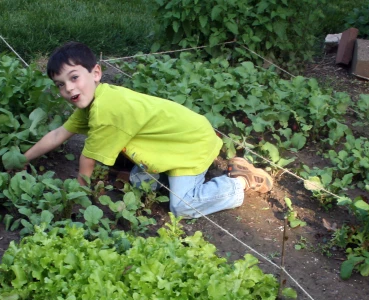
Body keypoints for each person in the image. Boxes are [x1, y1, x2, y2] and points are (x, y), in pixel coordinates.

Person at [23, 41, 274, 218]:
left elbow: (87, 160)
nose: (68, 88)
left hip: (191, 146)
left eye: (74, 77)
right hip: (174, 143)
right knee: (138, 181)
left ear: (96, 73)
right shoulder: (96, 102)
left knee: (182, 207)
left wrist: (73, 202)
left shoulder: (107, 110)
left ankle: (241, 181)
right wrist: (22, 160)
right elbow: (58, 134)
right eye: (60, 84)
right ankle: (156, 177)